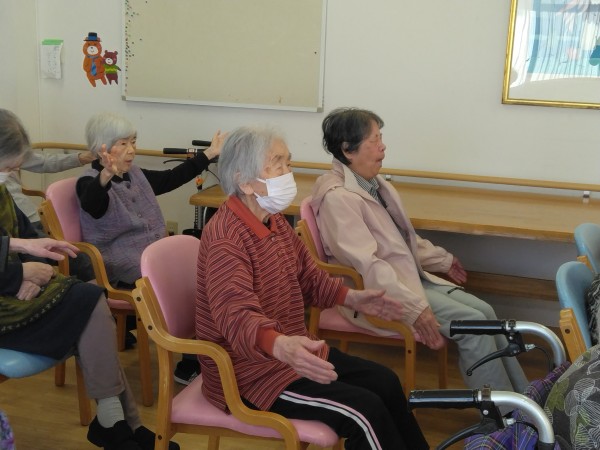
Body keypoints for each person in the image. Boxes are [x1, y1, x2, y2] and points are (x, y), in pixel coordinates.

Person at [196, 125, 429, 450]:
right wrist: (280, 345)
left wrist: (353, 298)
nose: (287, 173)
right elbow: (235, 315)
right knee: (364, 412)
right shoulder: (226, 238)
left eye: (288, 163)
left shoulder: (274, 220)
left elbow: (309, 278)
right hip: (251, 375)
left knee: (385, 382)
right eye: (276, 164)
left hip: (292, 353)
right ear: (244, 181)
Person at [310, 107, 529, 394]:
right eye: (374, 140)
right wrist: (415, 309)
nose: (383, 146)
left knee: (486, 312)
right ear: (348, 150)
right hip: (377, 295)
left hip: (405, 279)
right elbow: (368, 267)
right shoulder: (338, 199)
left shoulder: (374, 185)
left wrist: (443, 260)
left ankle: (524, 397)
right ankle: (500, 412)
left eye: (381, 137)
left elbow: (401, 240)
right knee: (473, 325)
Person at [0, 108, 179, 450]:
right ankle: (119, 425)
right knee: (88, 306)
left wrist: (34, 271)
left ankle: (117, 424)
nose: (10, 175)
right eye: (8, 168)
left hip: (16, 288)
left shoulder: (2, 192)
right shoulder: (89, 180)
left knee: (89, 298)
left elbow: (28, 239)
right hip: (6, 299)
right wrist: (19, 274)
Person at [76, 111, 225, 384]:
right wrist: (106, 174)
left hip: (151, 257)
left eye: (133, 142)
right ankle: (189, 365)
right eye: (123, 143)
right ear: (102, 148)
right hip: (120, 263)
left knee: (210, 272)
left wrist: (209, 154)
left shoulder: (135, 174)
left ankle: (210, 354)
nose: (131, 150)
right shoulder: (89, 181)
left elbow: (171, 178)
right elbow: (92, 204)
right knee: (189, 285)